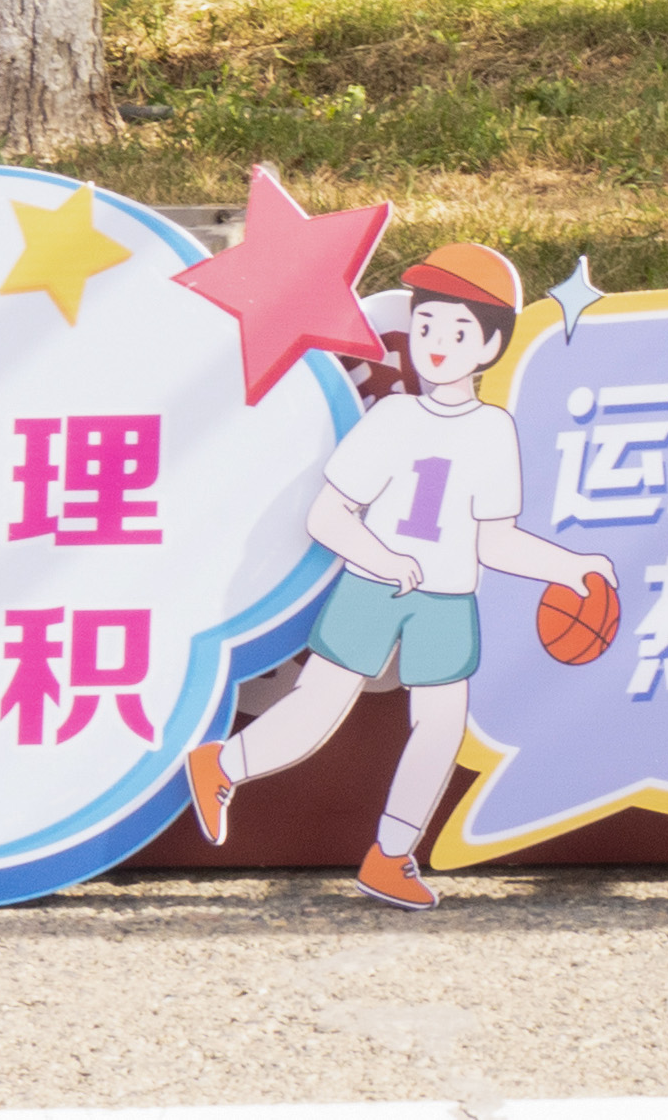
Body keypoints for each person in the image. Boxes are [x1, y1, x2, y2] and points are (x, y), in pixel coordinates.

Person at [183, 243, 611, 910]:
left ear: (492, 345)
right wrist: (382, 559)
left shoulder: (493, 431)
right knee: (318, 706)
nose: (437, 342)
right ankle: (222, 765)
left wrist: (571, 567)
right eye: (427, 324)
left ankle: (389, 856)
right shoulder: (392, 418)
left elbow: (494, 539)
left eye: (459, 331)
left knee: (440, 727)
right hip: (373, 587)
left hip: (446, 600)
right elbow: (328, 515)